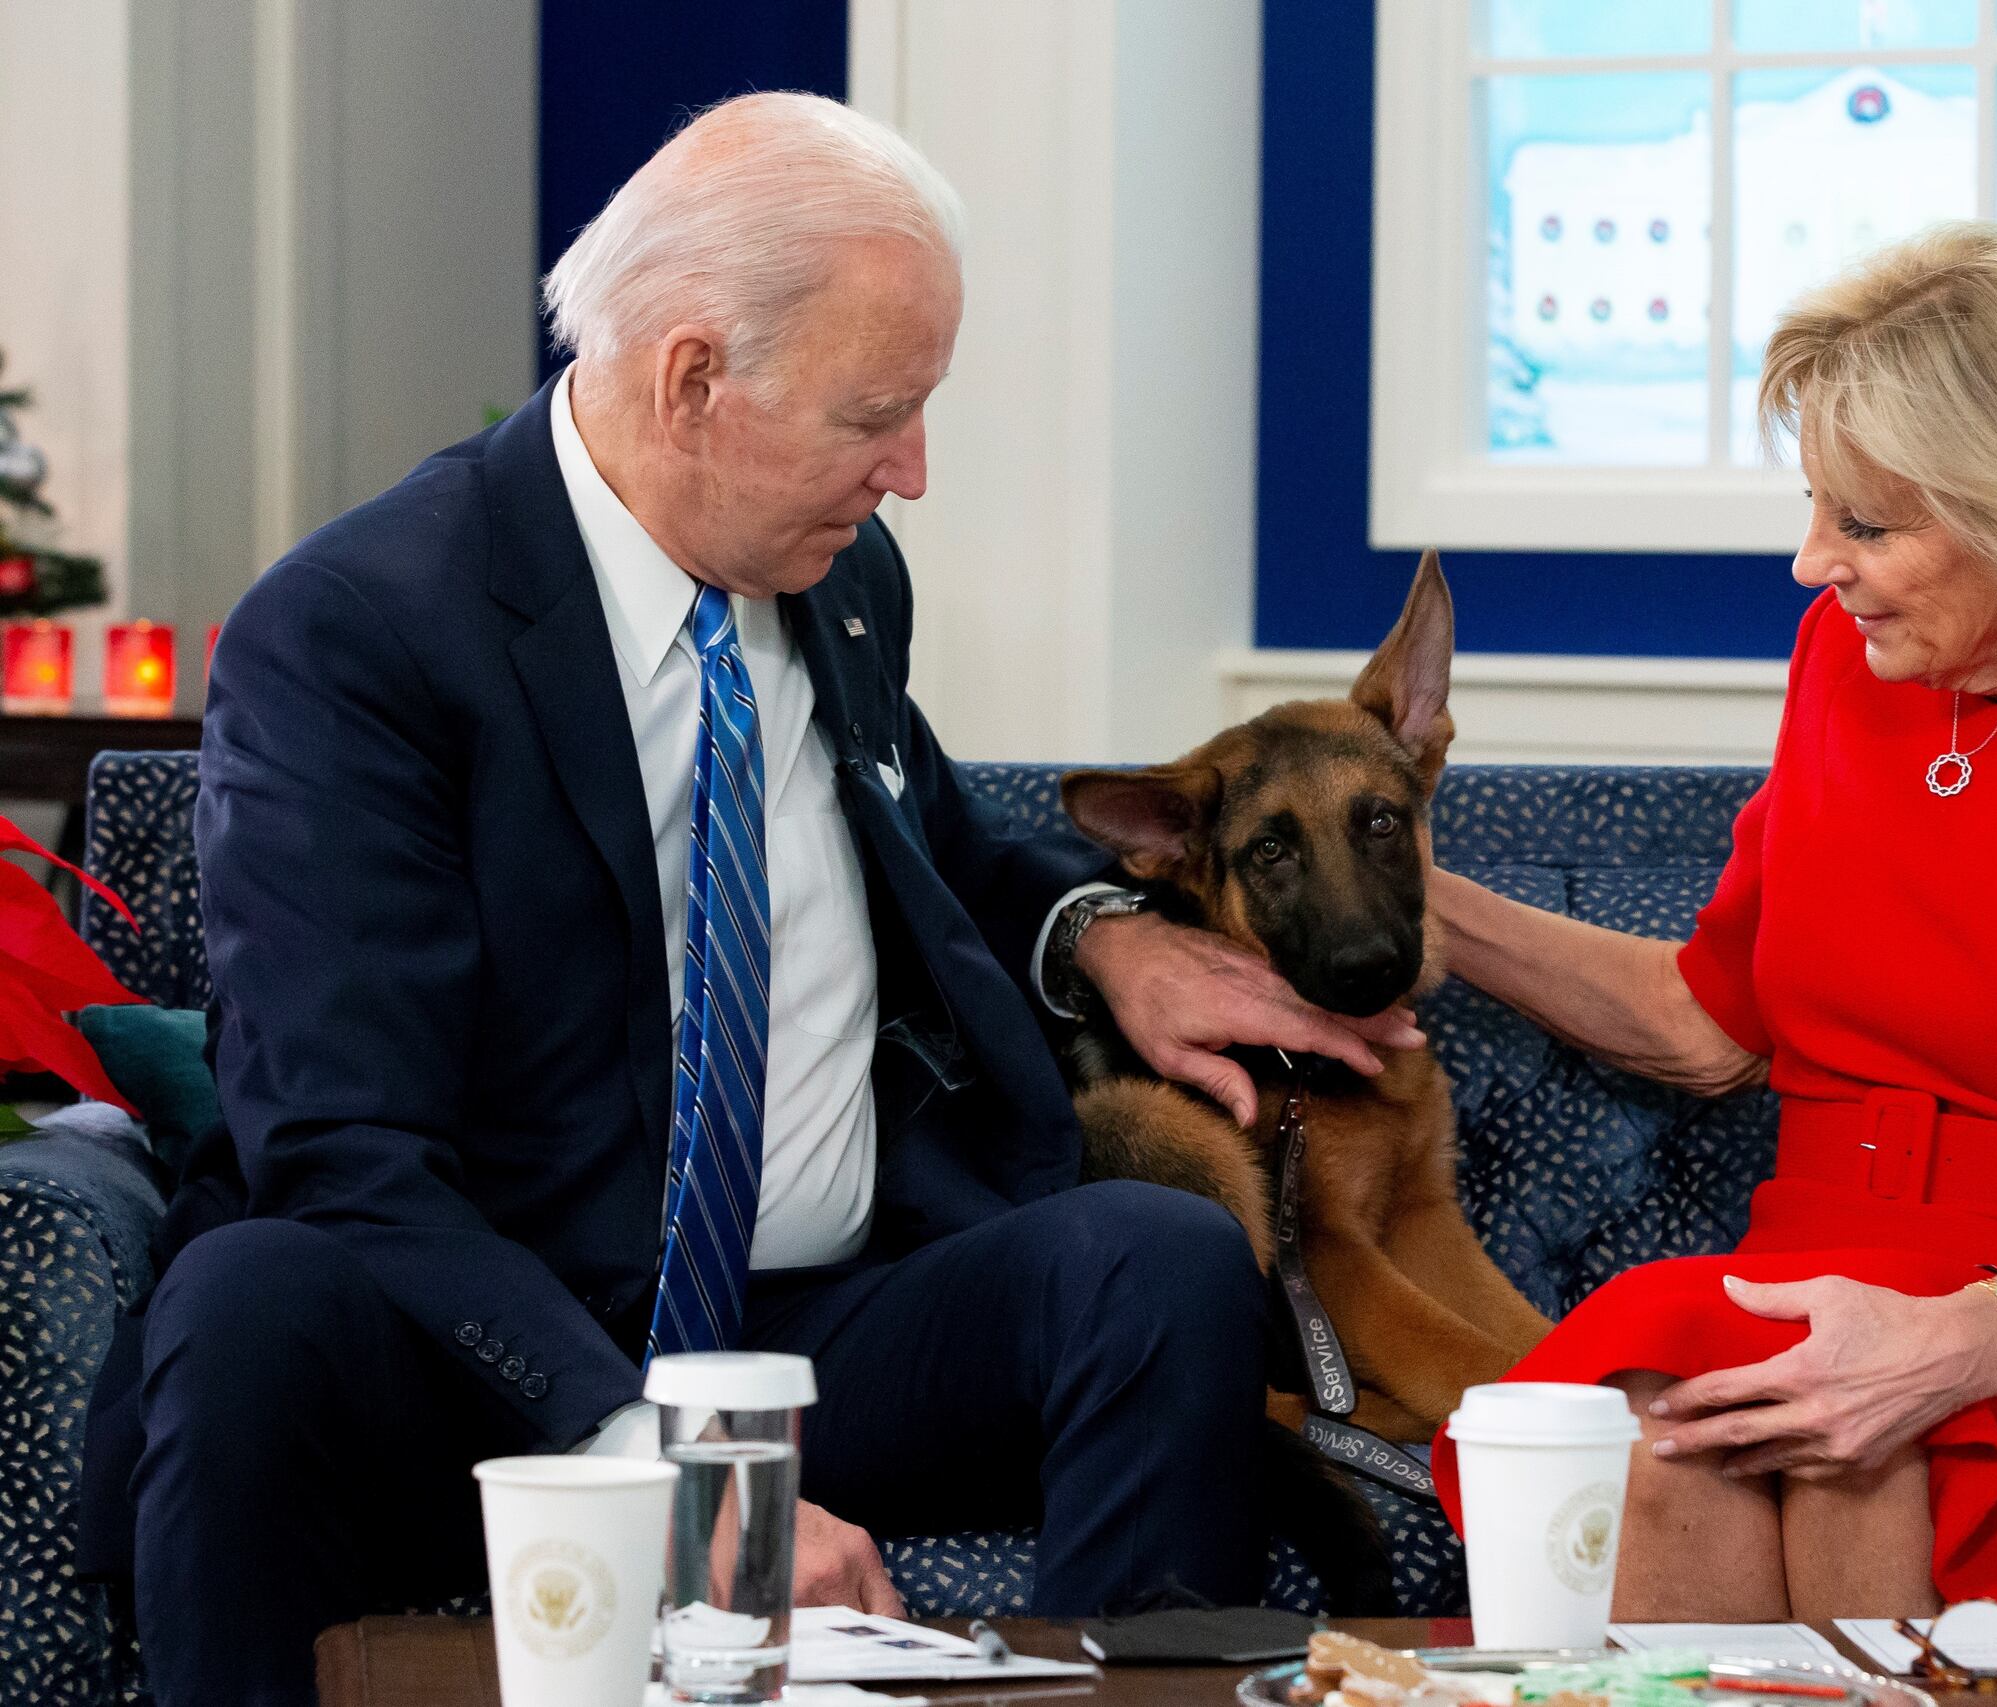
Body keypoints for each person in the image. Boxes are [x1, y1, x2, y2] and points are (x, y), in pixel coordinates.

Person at [88, 93, 1424, 1707]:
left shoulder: (833, 574)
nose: (913, 473)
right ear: (695, 379)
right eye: (880, 414)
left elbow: (933, 840)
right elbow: (337, 1147)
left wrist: (1105, 939)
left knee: (1150, 1259)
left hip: (821, 1320)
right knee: (252, 1296)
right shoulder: (356, 636)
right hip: (493, 1343)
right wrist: (664, 1458)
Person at [1426, 221, 1997, 1621]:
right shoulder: (1845, 665)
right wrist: (1405, 902)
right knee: (1672, 1421)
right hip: (1817, 1271)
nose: (1811, 565)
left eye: (1865, 523)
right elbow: (1705, 1018)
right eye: (1816, 508)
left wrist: (1965, 1342)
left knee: (1870, 1446)